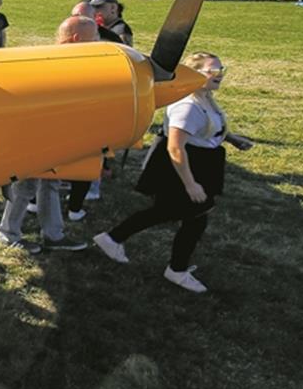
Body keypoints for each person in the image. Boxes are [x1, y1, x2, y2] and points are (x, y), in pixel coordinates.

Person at [94, 52, 253, 293]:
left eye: (222, 70)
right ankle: (173, 268)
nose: (219, 75)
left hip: (200, 163)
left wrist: (230, 138)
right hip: (183, 168)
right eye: (213, 71)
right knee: (185, 217)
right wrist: (190, 184)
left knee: (178, 215)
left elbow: (206, 127)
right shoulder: (188, 105)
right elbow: (175, 147)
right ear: (193, 74)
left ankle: (115, 240)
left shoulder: (204, 96)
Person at [0, 17, 98, 253]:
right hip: (36, 137)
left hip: (56, 136)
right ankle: (8, 233)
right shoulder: (51, 62)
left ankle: (53, 234)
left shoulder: (75, 62)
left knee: (51, 183)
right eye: (93, 38)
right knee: (26, 186)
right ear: (76, 39)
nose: (97, 42)